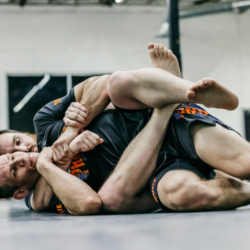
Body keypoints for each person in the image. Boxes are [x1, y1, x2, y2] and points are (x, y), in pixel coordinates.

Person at [0, 44, 246, 215]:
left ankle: (187, 92)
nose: (22, 154)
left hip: (172, 127)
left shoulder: (45, 125)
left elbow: (102, 84)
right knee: (175, 195)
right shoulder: (42, 193)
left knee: (118, 82)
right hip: (158, 172)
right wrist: (46, 163)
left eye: (15, 145)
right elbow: (85, 203)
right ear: (20, 191)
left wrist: (71, 130)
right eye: (14, 168)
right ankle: (171, 100)